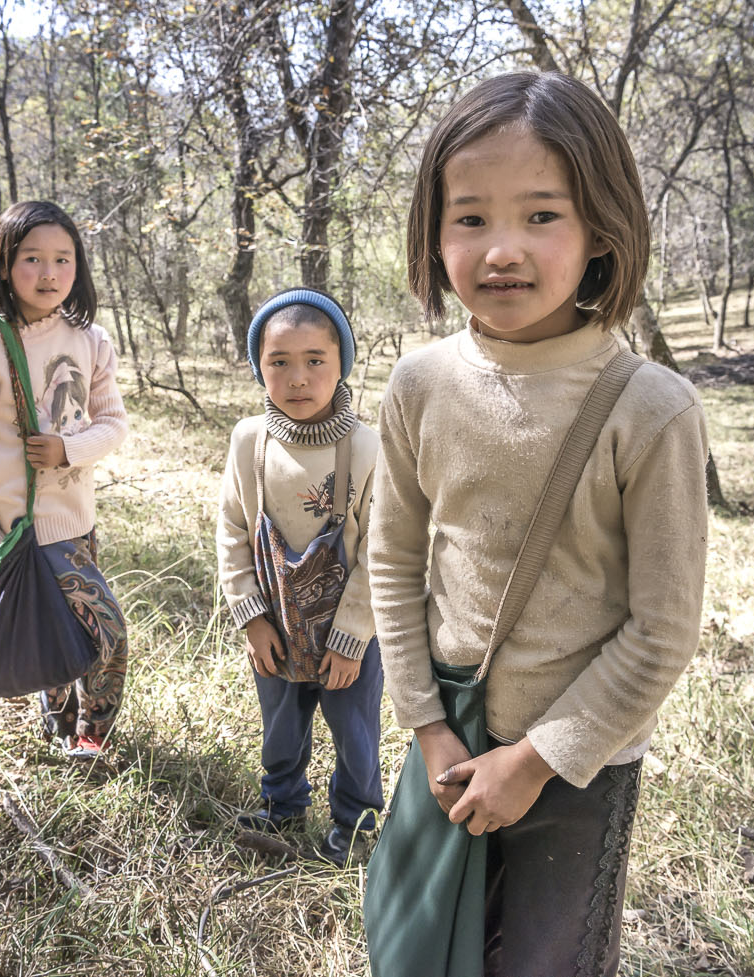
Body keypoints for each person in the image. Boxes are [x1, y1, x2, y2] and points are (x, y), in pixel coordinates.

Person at [368, 72, 709, 975]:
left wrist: (538, 759)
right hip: (449, 738)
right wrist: (428, 724)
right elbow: (395, 560)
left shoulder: (652, 408)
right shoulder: (420, 385)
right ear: (433, 231)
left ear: (600, 228)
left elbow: (663, 627)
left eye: (542, 216)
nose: (502, 249)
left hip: (576, 772)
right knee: (427, 950)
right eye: (470, 218)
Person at [0, 200, 129, 759]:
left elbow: (114, 423)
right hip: (23, 530)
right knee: (107, 632)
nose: (49, 274)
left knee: (64, 629)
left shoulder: (89, 339)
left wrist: (67, 448)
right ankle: (86, 733)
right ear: (3, 263)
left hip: (77, 520)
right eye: (32, 259)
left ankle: (72, 729)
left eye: (63, 260)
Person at [216, 287, 385, 866]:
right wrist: (251, 616)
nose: (298, 378)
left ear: (342, 364)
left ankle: (355, 826)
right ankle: (281, 807)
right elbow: (233, 529)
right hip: (275, 625)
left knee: (354, 733)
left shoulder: (364, 446)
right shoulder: (249, 441)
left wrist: (350, 638)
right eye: (279, 362)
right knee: (280, 727)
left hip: (349, 633)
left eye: (316, 361)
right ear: (258, 367)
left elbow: (381, 552)